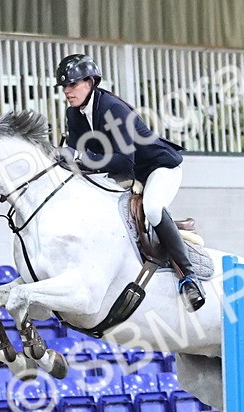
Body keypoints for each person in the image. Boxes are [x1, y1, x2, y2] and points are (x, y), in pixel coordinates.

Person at [53, 53, 204, 312]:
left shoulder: (113, 109)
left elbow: (123, 162)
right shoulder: (74, 114)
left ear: (90, 82)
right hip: (128, 176)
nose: (68, 91)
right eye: (65, 86)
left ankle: (190, 277)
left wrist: (78, 157)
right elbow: (79, 159)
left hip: (159, 168)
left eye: (73, 84)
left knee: (154, 208)